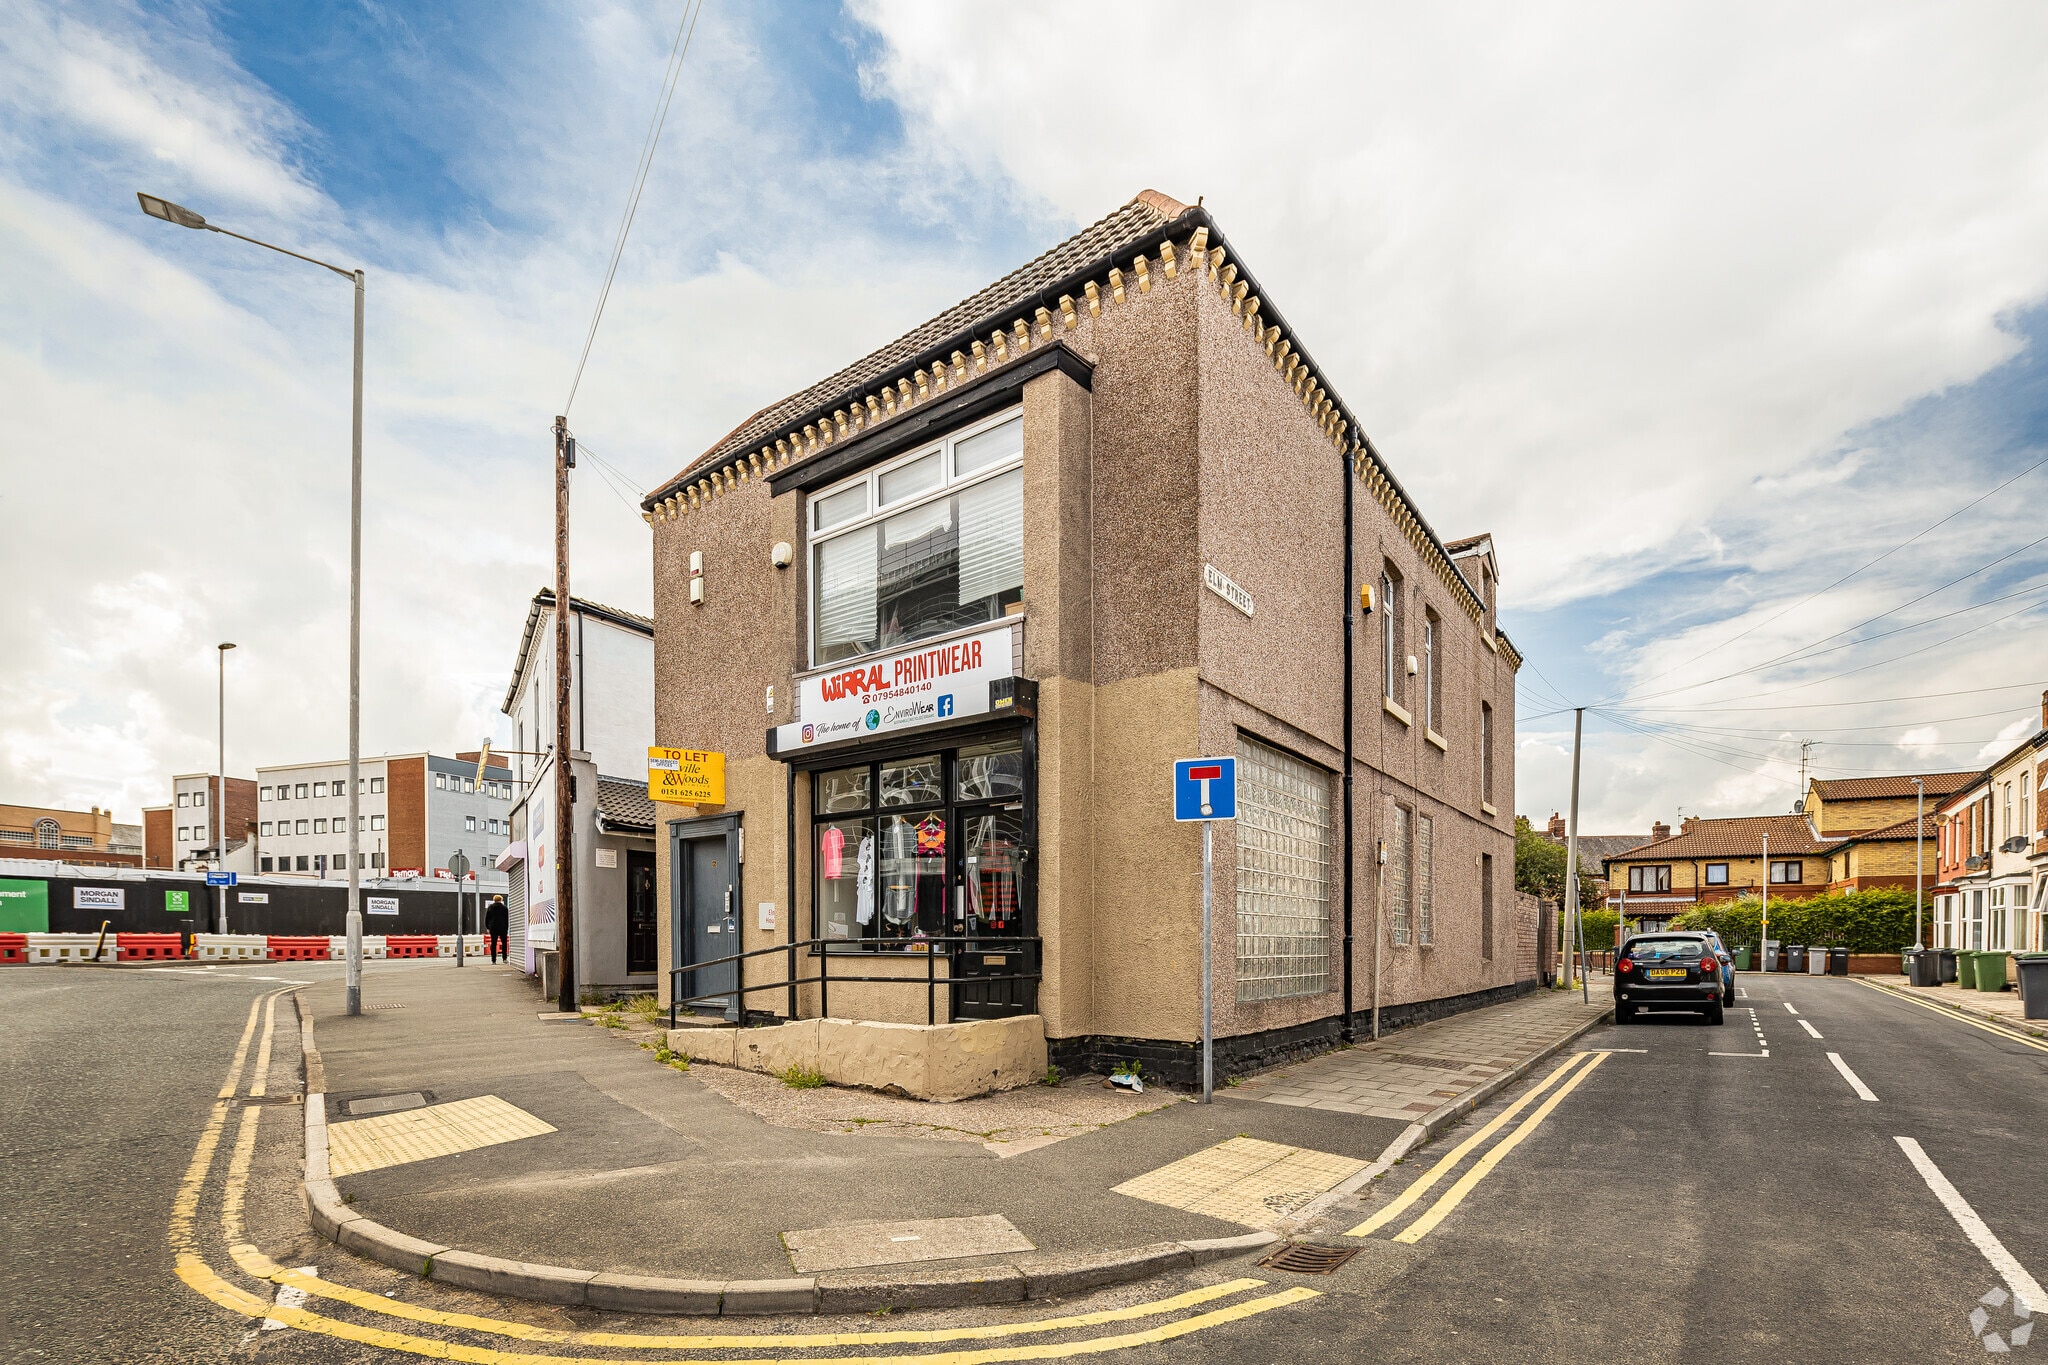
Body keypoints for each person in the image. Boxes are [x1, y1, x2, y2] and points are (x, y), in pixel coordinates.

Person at [484, 895, 509, 964]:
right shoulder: (504, 908)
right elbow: (507, 919)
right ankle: (504, 958)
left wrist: (488, 927)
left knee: (493, 943)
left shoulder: (490, 907)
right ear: (501, 900)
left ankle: (493, 960)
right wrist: (507, 928)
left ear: (494, 899)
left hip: (493, 927)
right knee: (504, 943)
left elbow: (486, 918)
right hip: (502, 927)